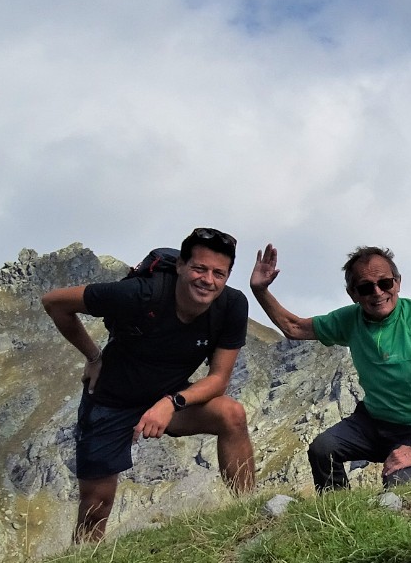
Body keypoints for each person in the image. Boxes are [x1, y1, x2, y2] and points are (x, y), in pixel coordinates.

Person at [41, 228, 256, 543]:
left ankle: (253, 516)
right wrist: (93, 356)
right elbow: (55, 302)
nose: (207, 280)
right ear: (181, 266)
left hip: (167, 399)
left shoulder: (232, 306)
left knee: (231, 414)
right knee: (96, 506)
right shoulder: (140, 294)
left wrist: (170, 403)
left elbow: (218, 380)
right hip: (110, 400)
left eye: (218, 273)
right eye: (199, 268)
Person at [249, 244, 411, 492]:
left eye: (385, 283)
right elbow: (294, 328)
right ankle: (339, 515)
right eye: (366, 287)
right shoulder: (349, 320)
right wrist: (259, 290)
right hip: (373, 422)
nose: (378, 292)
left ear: (398, 282)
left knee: (401, 488)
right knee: (323, 449)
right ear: (353, 294)